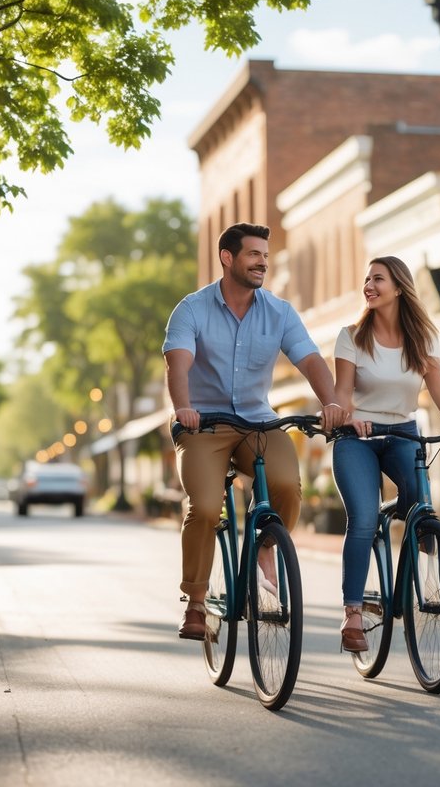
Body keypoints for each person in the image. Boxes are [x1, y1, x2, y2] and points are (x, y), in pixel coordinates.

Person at [163, 222, 348, 640]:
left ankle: (265, 547)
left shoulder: (279, 312)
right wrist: (184, 408)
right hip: (203, 425)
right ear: (227, 258)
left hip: (258, 422)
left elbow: (310, 359)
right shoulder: (191, 309)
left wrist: (331, 401)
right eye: (253, 255)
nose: (263, 262)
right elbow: (178, 364)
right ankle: (195, 604)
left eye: (265, 255)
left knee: (286, 485)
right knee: (207, 507)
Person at [330, 256, 440, 653]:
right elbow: (341, 394)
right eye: (366, 279)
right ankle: (352, 612)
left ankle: (409, 576)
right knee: (364, 517)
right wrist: (347, 419)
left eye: (378, 279)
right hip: (357, 437)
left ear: (399, 288)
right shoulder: (351, 336)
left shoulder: (423, 338)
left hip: (403, 432)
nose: (369, 285)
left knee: (421, 506)